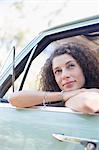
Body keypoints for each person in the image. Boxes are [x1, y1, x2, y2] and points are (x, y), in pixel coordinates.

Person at [9, 42, 99, 114]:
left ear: (84, 68)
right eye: (58, 71)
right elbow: (14, 99)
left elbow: (89, 104)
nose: (64, 75)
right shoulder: (57, 99)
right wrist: (64, 95)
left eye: (71, 66)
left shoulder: (94, 93)